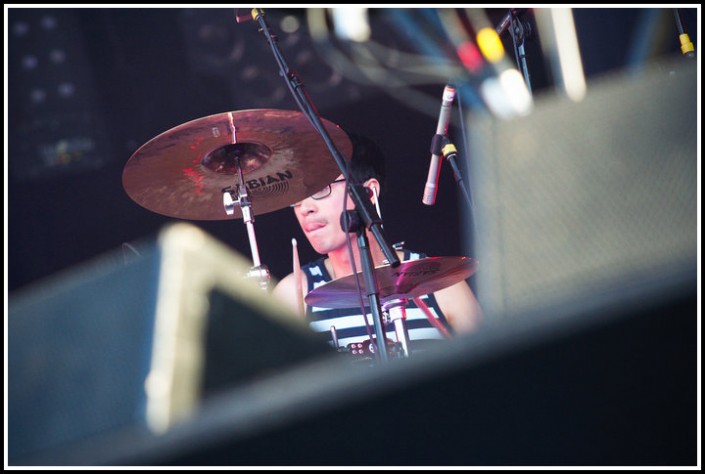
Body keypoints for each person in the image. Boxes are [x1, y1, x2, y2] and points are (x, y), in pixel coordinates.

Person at [273, 131, 482, 356]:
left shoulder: (440, 282)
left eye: (321, 189)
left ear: (369, 193)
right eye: (298, 195)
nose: (305, 208)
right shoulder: (294, 294)